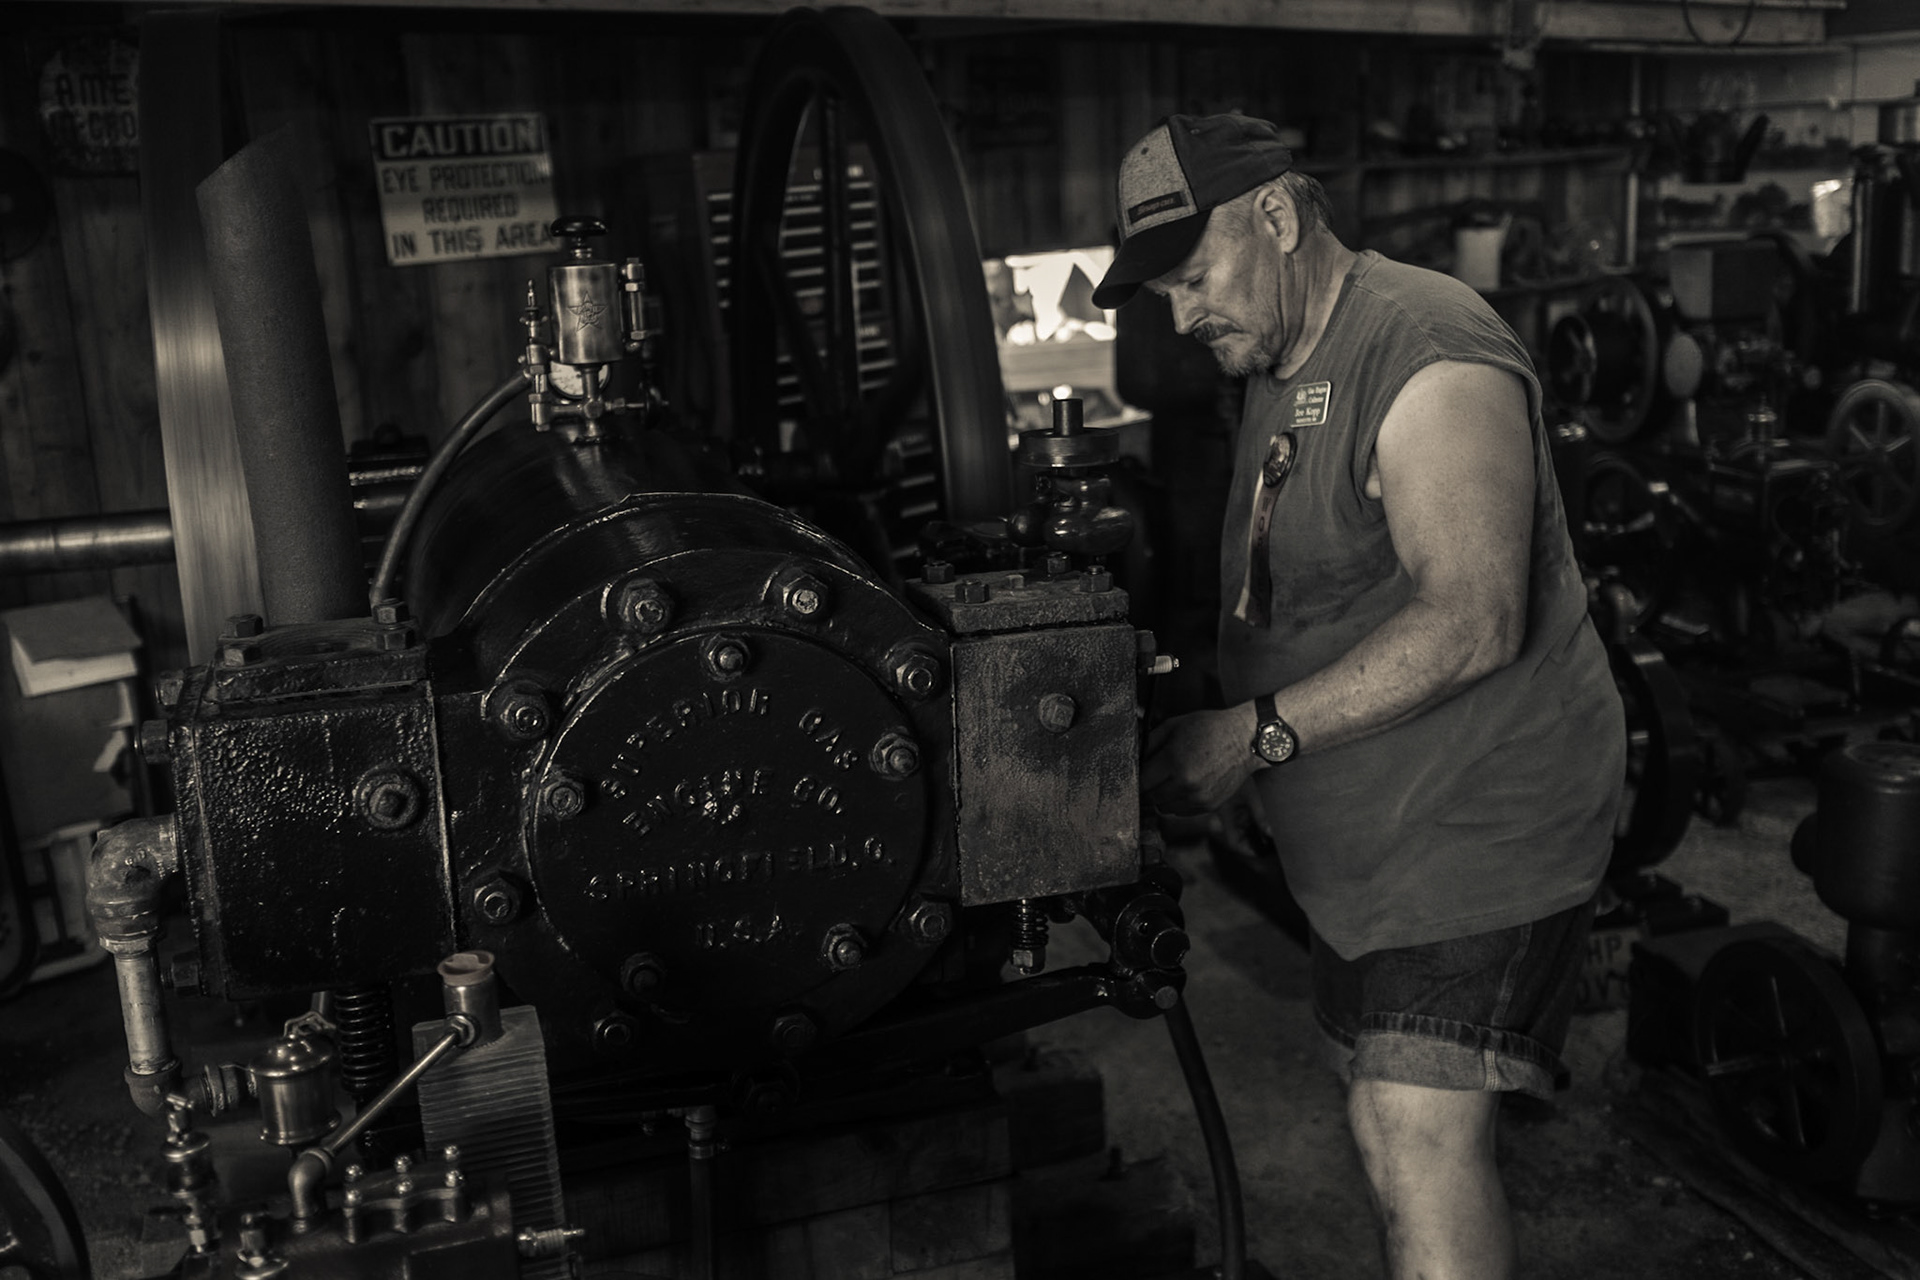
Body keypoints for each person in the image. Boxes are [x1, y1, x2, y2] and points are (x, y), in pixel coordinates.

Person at [1091, 113, 1624, 1279]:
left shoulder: (1426, 350)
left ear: (1278, 216)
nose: (1182, 318)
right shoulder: (1287, 352)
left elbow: (1474, 616)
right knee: (1382, 1115)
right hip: (1374, 840)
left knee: (1410, 1124)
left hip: (1484, 822)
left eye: (1192, 279)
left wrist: (1258, 733)